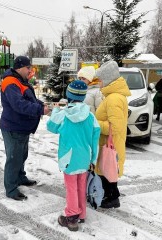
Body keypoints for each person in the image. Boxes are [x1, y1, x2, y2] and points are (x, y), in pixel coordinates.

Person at [47, 80, 100, 232]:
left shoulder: (63, 114)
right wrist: (93, 159)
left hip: (68, 159)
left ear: (68, 96)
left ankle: (71, 218)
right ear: (83, 97)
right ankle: (81, 213)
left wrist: (56, 110)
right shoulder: (91, 117)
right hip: (84, 158)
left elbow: (51, 126)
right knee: (80, 186)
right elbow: (94, 140)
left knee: (71, 188)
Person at [0, 56, 50, 201]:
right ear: (20, 67)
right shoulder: (10, 83)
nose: (30, 70)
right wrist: (39, 110)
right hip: (13, 127)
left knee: (22, 155)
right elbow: (19, 105)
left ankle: (20, 177)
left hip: (22, 127)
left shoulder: (20, 80)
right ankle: (11, 188)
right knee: (14, 158)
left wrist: (41, 105)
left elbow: (30, 100)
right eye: (28, 67)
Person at [95, 61, 131, 209]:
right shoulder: (113, 96)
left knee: (108, 169)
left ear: (108, 79)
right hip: (111, 142)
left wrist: (95, 123)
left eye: (100, 80)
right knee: (108, 169)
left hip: (110, 143)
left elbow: (114, 127)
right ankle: (109, 195)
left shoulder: (114, 99)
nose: (99, 84)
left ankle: (112, 198)